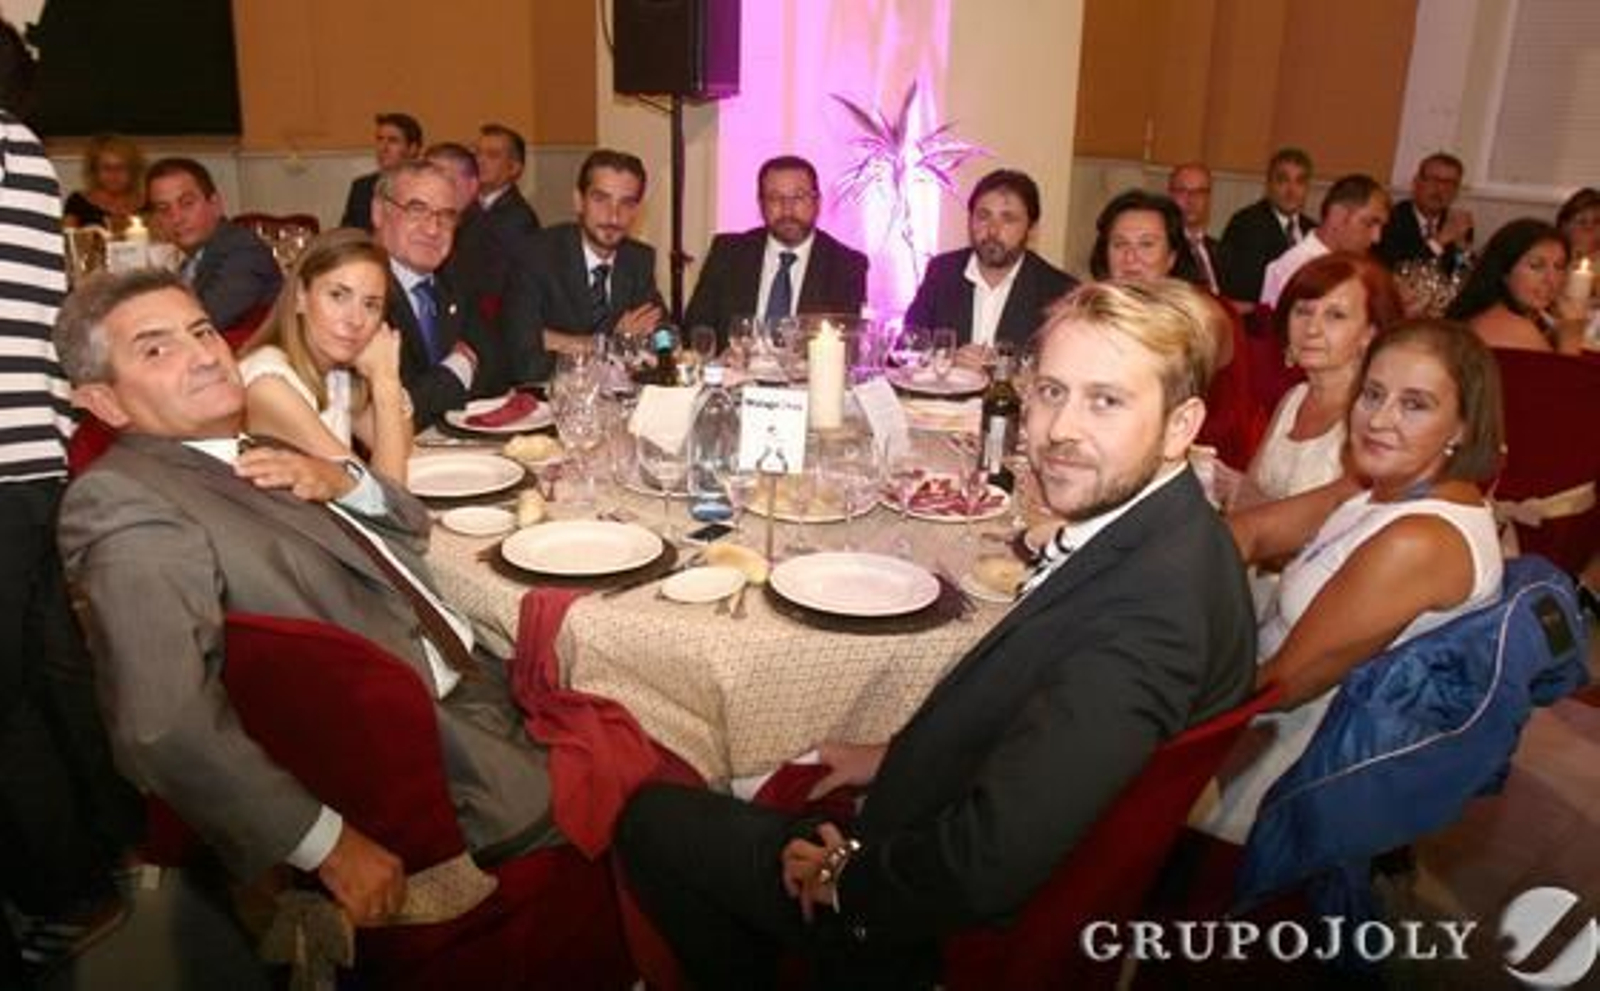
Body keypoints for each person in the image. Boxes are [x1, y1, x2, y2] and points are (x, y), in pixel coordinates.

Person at [616, 279, 1256, 990]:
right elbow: (1040, 719)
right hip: (937, 817)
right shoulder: (1170, 534)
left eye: (1106, 400)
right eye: (1050, 391)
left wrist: (845, 880)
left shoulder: (1152, 616)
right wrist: (895, 754)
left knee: (651, 818)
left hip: (928, 925)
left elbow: (990, 862)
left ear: (1180, 424)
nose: (1061, 429)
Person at [54, 269, 562, 927]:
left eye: (202, 330)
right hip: (445, 758)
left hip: (478, 675)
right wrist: (325, 843)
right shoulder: (125, 500)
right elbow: (160, 722)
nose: (206, 353)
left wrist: (343, 483)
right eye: (157, 348)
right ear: (107, 401)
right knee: (661, 781)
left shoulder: (245, 445)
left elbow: (409, 521)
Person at [1197, 319, 1505, 843]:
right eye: (1373, 394)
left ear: (1461, 427)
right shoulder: (1379, 489)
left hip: (1280, 779)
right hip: (1253, 715)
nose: (1380, 420)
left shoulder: (1420, 540)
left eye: (1415, 404)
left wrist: (1162, 694)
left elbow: (1280, 688)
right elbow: (1249, 532)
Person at [0, 21, 138, 984]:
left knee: (12, 702)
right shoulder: (21, 150)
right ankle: (103, 852)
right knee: (51, 670)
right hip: (36, 461)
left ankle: (56, 893)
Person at [1090, 189, 1263, 470]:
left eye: (1147, 245)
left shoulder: (1200, 313)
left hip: (1203, 467)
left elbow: (1157, 402)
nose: (1130, 257)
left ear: (1171, 257)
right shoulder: (1118, 309)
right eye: (1119, 244)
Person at [237, 229, 413, 482]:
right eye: (338, 296)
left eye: (370, 305)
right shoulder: (269, 386)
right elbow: (384, 504)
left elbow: (401, 445)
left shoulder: (333, 370)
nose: (355, 320)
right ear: (300, 296)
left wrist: (386, 381)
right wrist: (385, 381)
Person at [1245, 252, 1403, 505]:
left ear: (1370, 333)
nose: (1312, 329)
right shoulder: (1294, 398)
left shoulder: (1375, 417)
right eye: (1303, 311)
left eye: (1335, 315)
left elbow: (1336, 527)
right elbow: (1247, 493)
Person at [372, 159, 507, 427]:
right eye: (417, 210)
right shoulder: (361, 289)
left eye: (446, 215)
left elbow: (497, 373)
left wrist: (431, 389)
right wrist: (460, 365)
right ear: (379, 212)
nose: (433, 229)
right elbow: (396, 412)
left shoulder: (454, 279)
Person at [684, 154, 868, 347]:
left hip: (806, 376)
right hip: (736, 373)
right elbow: (695, 328)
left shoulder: (846, 265)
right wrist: (721, 359)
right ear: (761, 204)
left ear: (817, 202)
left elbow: (847, 344)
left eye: (798, 197)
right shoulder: (728, 253)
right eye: (774, 198)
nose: (787, 210)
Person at [903, 168, 1076, 363]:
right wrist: (947, 360)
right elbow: (909, 345)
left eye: (1008, 219)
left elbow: (1064, 370)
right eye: (983, 216)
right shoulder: (942, 271)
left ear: (1031, 229)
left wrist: (1005, 372)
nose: (993, 231)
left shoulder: (1060, 291)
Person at [526, 149, 663, 355]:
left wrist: (560, 341)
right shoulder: (537, 254)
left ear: (636, 211)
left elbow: (664, 335)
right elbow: (523, 346)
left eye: (626, 203)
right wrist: (610, 344)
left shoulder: (638, 259)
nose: (613, 216)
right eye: (601, 199)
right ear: (579, 201)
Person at [429, 141, 543, 385]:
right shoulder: (435, 232)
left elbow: (490, 302)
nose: (432, 189)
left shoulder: (504, 221)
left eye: (444, 180)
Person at [145, 156, 283, 331]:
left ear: (215, 204)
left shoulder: (243, 251)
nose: (176, 218)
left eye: (187, 204)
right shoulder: (191, 258)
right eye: (164, 209)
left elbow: (202, 323)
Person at [1445, 218, 1585, 354]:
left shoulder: (1494, 310)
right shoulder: (1512, 326)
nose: (1551, 279)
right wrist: (1570, 339)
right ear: (1504, 271)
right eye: (1536, 266)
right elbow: (1565, 377)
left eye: (1559, 267)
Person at [1259, 173, 1390, 309]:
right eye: (1369, 223)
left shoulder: (1351, 261)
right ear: (1337, 215)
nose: (1377, 238)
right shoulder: (1297, 268)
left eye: (1381, 227)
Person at [1218, 147, 1318, 306]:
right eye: (1283, 180)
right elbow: (1241, 290)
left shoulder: (1313, 230)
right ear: (1269, 184)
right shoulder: (1246, 223)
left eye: (1299, 181)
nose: (1291, 190)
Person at [1376, 152, 1475, 276]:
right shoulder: (1390, 219)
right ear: (1416, 183)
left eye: (1449, 183)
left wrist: (1462, 248)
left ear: (1456, 191)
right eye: (1433, 180)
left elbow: (1463, 278)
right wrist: (1440, 240)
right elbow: (1399, 272)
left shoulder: (1456, 223)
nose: (1440, 189)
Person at [339, 112, 422, 233]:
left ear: (412, 149)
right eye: (379, 139)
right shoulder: (361, 187)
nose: (383, 147)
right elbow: (347, 234)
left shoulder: (425, 187)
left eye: (393, 141)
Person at [62, 133, 144, 233]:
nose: (114, 174)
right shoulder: (77, 202)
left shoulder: (148, 203)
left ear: (134, 170)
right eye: (106, 168)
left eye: (121, 167)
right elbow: (67, 241)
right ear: (94, 171)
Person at [474, 123, 541, 243]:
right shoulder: (466, 205)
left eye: (492, 155)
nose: (480, 161)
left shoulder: (519, 219)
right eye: (477, 153)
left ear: (514, 168)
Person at [1168, 161, 1223, 295]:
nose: (1191, 200)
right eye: (1182, 191)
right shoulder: (1164, 247)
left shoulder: (1221, 249)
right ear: (1169, 195)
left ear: (1209, 198)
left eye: (1200, 192)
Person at [1556, 187, 1599, 274]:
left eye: (1597, 221)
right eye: (1582, 222)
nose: (1589, 227)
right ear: (1565, 226)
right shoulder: (1555, 257)